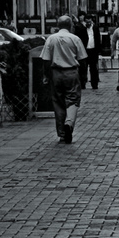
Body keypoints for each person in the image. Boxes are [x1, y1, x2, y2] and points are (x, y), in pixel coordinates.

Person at [40, 15, 90, 143]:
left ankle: (62, 133)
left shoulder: (51, 39)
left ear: (58, 25)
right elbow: (83, 59)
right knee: (73, 100)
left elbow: (45, 60)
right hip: (71, 72)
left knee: (58, 102)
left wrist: (46, 75)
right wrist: (83, 76)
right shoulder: (75, 39)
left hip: (56, 73)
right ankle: (69, 123)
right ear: (70, 25)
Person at [79, 13, 102, 91]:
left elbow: (98, 39)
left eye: (89, 22)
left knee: (93, 68)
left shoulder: (95, 28)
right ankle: (83, 83)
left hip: (93, 50)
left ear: (91, 21)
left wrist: (98, 50)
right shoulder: (82, 29)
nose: (88, 23)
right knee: (83, 68)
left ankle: (94, 84)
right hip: (85, 50)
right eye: (87, 22)